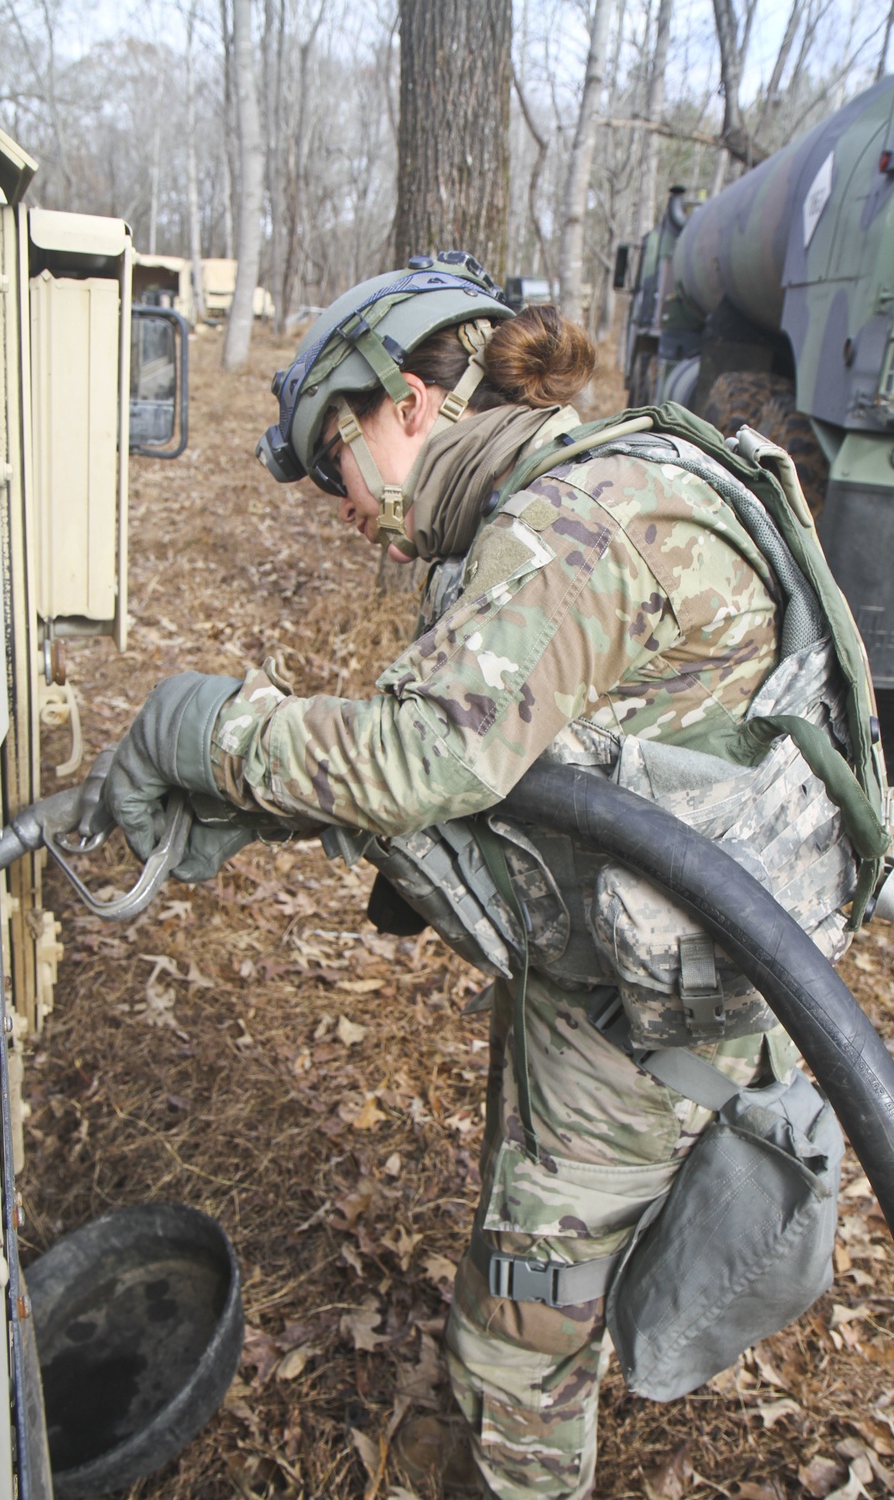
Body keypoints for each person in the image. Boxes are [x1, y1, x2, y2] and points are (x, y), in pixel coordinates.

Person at [93, 253, 859, 1499]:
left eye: (333, 457)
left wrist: (210, 732)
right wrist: (257, 807)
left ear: (407, 403)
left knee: (527, 1338)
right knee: (523, 1273)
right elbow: (491, 776)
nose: (337, 503)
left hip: (645, 1025)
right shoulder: (554, 504)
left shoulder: (574, 525)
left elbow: (421, 758)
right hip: (625, 968)